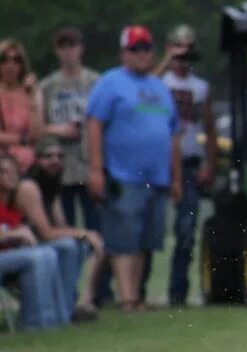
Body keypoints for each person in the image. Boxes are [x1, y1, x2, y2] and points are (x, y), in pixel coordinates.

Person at [86, 25, 180, 312]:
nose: (141, 54)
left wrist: (176, 177)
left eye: (146, 48)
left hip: (157, 177)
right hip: (123, 174)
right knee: (122, 238)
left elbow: (174, 134)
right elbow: (94, 125)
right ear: (123, 53)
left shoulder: (159, 87)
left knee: (145, 240)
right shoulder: (110, 83)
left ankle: (135, 296)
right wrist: (95, 169)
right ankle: (126, 297)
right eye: (135, 49)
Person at [157, 24, 216, 307]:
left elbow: (210, 127)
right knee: (151, 230)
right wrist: (167, 60)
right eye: (178, 50)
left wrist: (210, 163)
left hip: (190, 162)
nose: (183, 58)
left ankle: (177, 292)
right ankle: (135, 293)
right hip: (159, 163)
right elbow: (144, 86)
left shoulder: (200, 87)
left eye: (187, 51)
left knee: (185, 230)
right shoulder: (160, 81)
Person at [19, 138, 103, 321]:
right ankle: (64, 310)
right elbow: (46, 233)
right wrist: (84, 233)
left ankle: (80, 304)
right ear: (36, 160)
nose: (55, 161)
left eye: (59, 156)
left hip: (42, 243)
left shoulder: (52, 186)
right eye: (48, 156)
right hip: (25, 244)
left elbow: (61, 225)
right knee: (71, 246)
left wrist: (83, 236)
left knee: (83, 245)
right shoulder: (29, 187)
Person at [40, 27, 101, 240]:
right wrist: (60, 130)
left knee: (97, 228)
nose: (68, 52)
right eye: (62, 47)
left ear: (81, 49)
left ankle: (97, 273)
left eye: (72, 46)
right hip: (60, 168)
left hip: (89, 165)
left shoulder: (95, 82)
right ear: (57, 51)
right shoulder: (47, 86)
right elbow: (37, 126)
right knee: (65, 228)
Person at [0, 152, 69, 330]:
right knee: (39, 256)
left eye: (13, 171)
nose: (11, 176)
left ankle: (59, 319)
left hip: (9, 256)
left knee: (49, 253)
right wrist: (14, 234)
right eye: (3, 172)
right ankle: (34, 323)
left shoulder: (13, 204)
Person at [0, 38, 45, 172]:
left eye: (16, 60)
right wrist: (23, 139)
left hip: (27, 162)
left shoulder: (32, 92)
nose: (10, 65)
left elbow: (37, 134)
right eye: (4, 60)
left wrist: (31, 98)